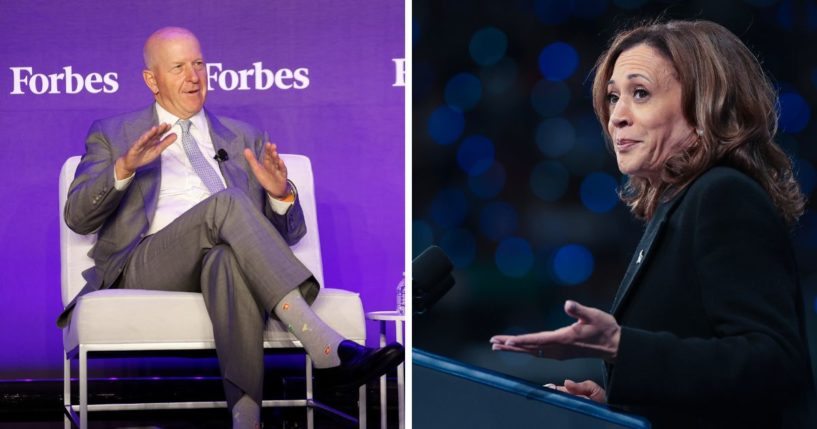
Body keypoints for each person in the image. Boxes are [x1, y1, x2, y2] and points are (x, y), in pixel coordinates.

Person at [57, 27, 403, 429]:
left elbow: (283, 236)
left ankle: (246, 419)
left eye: (199, 64)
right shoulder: (113, 133)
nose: (194, 76)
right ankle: (322, 343)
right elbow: (78, 217)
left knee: (226, 259)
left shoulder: (245, 137)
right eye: (178, 67)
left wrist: (280, 196)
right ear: (152, 79)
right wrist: (124, 169)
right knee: (228, 201)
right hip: (144, 263)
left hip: (220, 260)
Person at [490, 20, 816, 428]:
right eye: (612, 98)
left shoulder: (724, 196)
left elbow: (773, 362)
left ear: (704, 109)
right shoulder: (680, 204)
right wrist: (619, 404)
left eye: (640, 93)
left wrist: (619, 345)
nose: (616, 117)